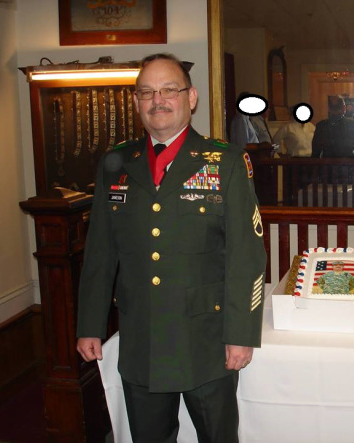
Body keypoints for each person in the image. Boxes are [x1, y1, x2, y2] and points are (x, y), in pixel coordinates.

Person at [76, 53, 266, 443]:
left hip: (207, 340)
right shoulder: (116, 163)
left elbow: (245, 257)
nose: (157, 100)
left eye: (169, 90)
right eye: (146, 92)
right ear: (136, 102)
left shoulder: (226, 162)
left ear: (190, 98)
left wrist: (241, 333)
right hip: (141, 338)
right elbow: (100, 253)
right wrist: (90, 325)